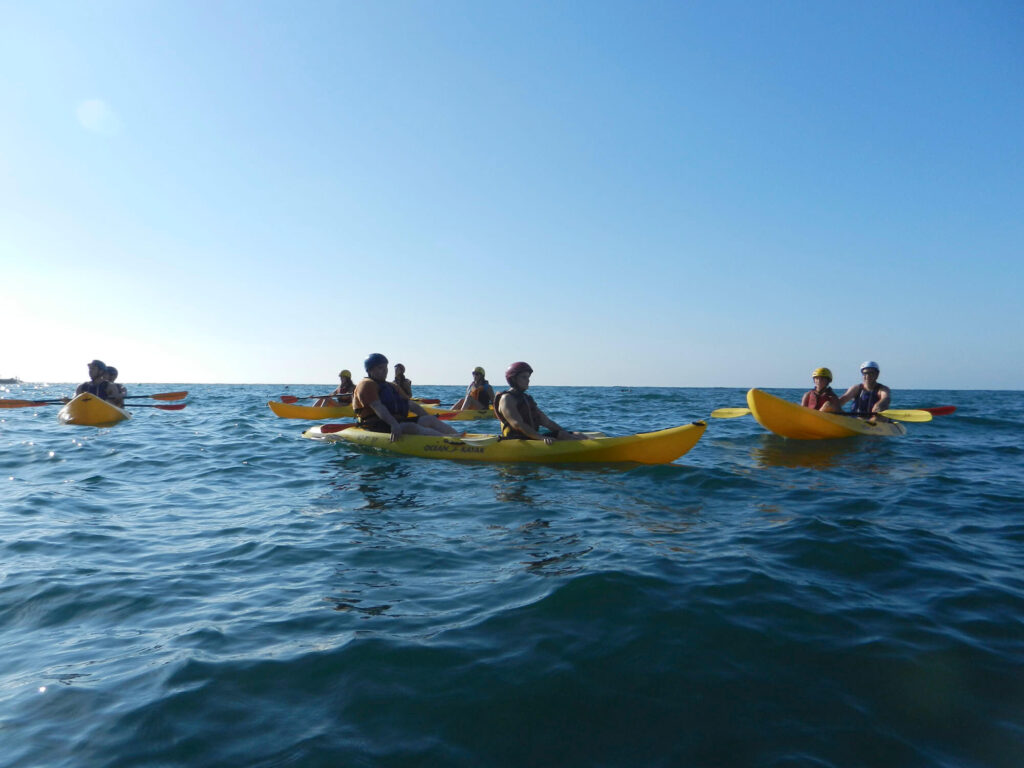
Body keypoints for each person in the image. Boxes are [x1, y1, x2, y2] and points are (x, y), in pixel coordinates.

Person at [353, 353, 457, 441]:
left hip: (397, 421)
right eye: (380, 368)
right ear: (370, 370)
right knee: (409, 427)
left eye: (386, 368)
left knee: (429, 420)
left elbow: (410, 404)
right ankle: (447, 442)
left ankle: (458, 438)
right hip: (375, 424)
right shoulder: (366, 384)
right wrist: (394, 424)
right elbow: (378, 406)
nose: (385, 371)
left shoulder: (391, 385)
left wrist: (426, 417)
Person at [493, 362, 587, 444]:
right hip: (516, 441)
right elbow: (517, 424)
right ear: (513, 379)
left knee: (576, 434)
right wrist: (541, 438)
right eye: (524, 377)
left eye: (528, 377)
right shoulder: (507, 399)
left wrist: (566, 432)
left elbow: (546, 422)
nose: (528, 380)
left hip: (531, 438)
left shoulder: (526, 398)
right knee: (563, 436)